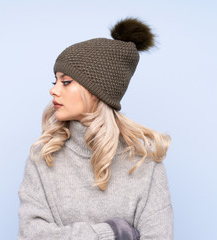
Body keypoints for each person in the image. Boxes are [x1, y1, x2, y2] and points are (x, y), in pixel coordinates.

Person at [18, 17, 173, 240]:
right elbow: (30, 235)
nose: (53, 90)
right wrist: (111, 233)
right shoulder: (43, 159)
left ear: (97, 91)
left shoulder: (145, 166)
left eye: (66, 81)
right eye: (55, 81)